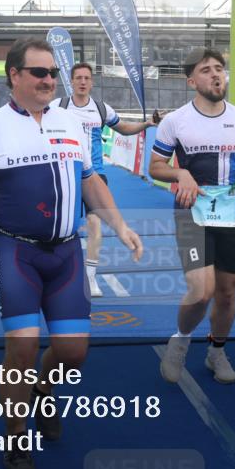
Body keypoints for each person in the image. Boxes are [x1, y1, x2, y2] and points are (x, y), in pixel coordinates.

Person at [0, 38, 143, 469]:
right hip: (17, 252)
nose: (50, 80)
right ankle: (15, 438)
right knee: (23, 346)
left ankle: (43, 391)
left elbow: (90, 182)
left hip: (66, 251)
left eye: (53, 73)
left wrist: (120, 224)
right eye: (39, 73)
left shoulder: (70, 122)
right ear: (15, 76)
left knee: (73, 352)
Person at [148, 47, 235, 385]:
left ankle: (217, 350)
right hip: (192, 212)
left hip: (231, 211)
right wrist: (180, 174)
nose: (216, 74)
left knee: (227, 291)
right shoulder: (175, 121)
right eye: (206, 70)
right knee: (202, 291)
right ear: (191, 81)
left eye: (219, 68)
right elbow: (155, 167)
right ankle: (181, 340)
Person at [53, 62, 161, 297]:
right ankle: (60, 275)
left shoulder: (101, 109)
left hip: (95, 175)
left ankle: (91, 279)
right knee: (62, 226)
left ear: (92, 82)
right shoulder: (58, 107)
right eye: (78, 78)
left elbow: (123, 128)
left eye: (86, 78)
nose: (82, 82)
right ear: (71, 81)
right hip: (66, 172)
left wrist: (147, 124)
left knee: (94, 224)